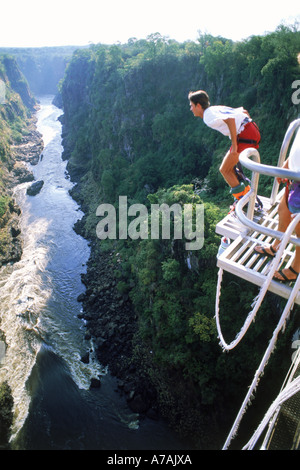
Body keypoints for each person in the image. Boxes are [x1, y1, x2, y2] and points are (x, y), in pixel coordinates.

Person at [188, 90, 261, 207]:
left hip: (245, 134)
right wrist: (246, 127)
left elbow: (230, 119)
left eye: (191, 106)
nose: (191, 109)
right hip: (250, 130)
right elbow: (244, 112)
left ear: (198, 105)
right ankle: (246, 198)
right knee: (229, 169)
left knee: (225, 170)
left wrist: (235, 145)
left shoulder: (208, 116)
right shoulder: (214, 109)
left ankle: (245, 203)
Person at [254, 156, 300, 282]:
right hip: (295, 180)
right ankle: (276, 247)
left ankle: (295, 269)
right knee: (283, 210)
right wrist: (287, 164)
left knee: (299, 231)